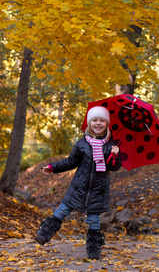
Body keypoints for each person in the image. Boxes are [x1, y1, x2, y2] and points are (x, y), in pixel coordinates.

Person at [35, 106, 122, 260]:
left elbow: (114, 167)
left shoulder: (111, 145)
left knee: (94, 220)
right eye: (94, 120)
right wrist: (52, 167)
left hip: (98, 190)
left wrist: (115, 156)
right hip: (78, 187)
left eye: (102, 120)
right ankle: (44, 234)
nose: (98, 123)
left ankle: (94, 249)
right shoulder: (82, 143)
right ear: (89, 123)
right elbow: (70, 162)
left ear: (106, 124)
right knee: (62, 210)